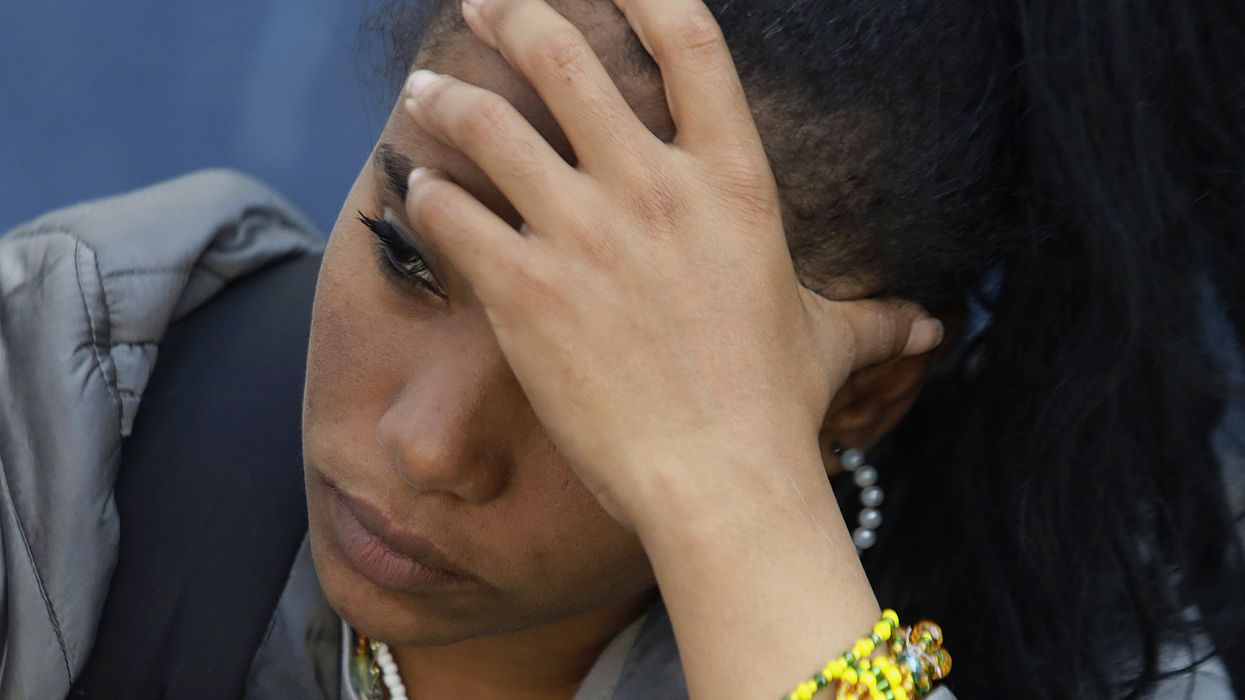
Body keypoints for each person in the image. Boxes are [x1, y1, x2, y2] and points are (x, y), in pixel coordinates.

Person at [1, 0, 1242, 698]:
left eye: (591, 373)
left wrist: (743, 523)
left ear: (857, 395)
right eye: (407, 253)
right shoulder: (77, 391)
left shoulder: (1097, 668)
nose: (429, 447)